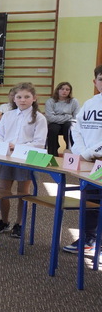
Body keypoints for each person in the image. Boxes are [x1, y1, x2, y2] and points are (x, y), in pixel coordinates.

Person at [0, 82, 47, 238]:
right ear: (14, 98)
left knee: (23, 193)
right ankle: (4, 221)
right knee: (3, 191)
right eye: (19, 97)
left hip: (26, 158)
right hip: (7, 158)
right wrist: (3, 145)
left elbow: (39, 142)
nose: (22, 100)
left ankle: (20, 223)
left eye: (26, 97)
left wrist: (16, 146)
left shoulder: (39, 118)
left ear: (34, 98)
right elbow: (0, 135)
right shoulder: (8, 115)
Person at [64, 66, 102, 256]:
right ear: (95, 82)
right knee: (90, 201)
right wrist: (81, 152)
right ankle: (88, 238)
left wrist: (91, 152)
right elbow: (76, 129)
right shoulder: (90, 103)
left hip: (96, 158)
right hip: (89, 162)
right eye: (101, 79)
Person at [45, 81, 79, 156]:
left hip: (67, 124)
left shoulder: (74, 101)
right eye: (62, 89)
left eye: (67, 89)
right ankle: (52, 153)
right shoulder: (50, 101)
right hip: (54, 123)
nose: (64, 91)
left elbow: (76, 117)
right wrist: (68, 116)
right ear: (58, 90)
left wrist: (60, 117)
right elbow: (50, 118)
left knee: (69, 127)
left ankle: (70, 150)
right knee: (53, 128)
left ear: (70, 91)